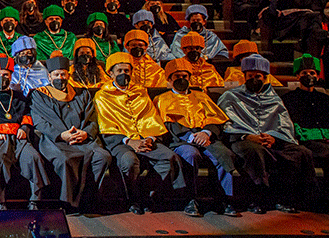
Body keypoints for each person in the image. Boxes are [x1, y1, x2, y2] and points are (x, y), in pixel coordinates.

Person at [217, 54, 315, 214]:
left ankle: (286, 198)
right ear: (244, 76)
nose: (254, 79)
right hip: (243, 138)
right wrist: (247, 136)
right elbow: (224, 123)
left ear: (265, 77)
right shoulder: (231, 96)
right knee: (255, 151)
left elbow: (284, 123)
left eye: (258, 76)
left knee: (301, 152)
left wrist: (274, 138)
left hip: (272, 140)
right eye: (250, 76)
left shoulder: (274, 99)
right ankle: (257, 198)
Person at [95, 52, 186, 214]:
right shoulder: (102, 95)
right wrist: (130, 142)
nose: (124, 74)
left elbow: (151, 117)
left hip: (145, 139)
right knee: (130, 161)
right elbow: (106, 126)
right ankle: (132, 199)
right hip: (119, 142)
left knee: (169, 157)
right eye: (120, 71)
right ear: (111, 73)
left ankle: (145, 193)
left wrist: (150, 139)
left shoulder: (141, 92)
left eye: (127, 71)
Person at [155, 59, 240, 217]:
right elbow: (164, 126)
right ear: (169, 78)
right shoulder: (162, 99)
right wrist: (190, 136)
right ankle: (190, 199)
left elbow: (217, 119)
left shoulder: (201, 96)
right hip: (181, 140)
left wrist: (206, 133)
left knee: (224, 154)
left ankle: (224, 200)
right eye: (177, 76)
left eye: (185, 76)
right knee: (190, 155)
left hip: (206, 137)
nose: (182, 79)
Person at [29, 56, 112, 212]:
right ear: (49, 77)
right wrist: (62, 135)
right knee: (66, 159)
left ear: (68, 75)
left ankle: (89, 199)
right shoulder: (40, 95)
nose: (60, 78)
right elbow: (40, 122)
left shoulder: (81, 93)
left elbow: (92, 118)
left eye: (63, 74)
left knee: (102, 156)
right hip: (55, 140)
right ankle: (68, 203)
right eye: (56, 75)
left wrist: (86, 133)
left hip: (83, 140)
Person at [0, 54, 49, 210]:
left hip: (18, 138)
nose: (2, 77)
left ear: (11, 76)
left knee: (33, 157)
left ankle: (34, 201)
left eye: (6, 74)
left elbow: (27, 116)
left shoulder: (19, 96)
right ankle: (0, 201)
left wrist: (24, 129)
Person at [281, 54, 329, 212]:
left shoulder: (326, 99)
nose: (309, 76)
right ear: (298, 75)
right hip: (309, 140)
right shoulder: (289, 99)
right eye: (305, 73)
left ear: (318, 76)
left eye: (312, 73)